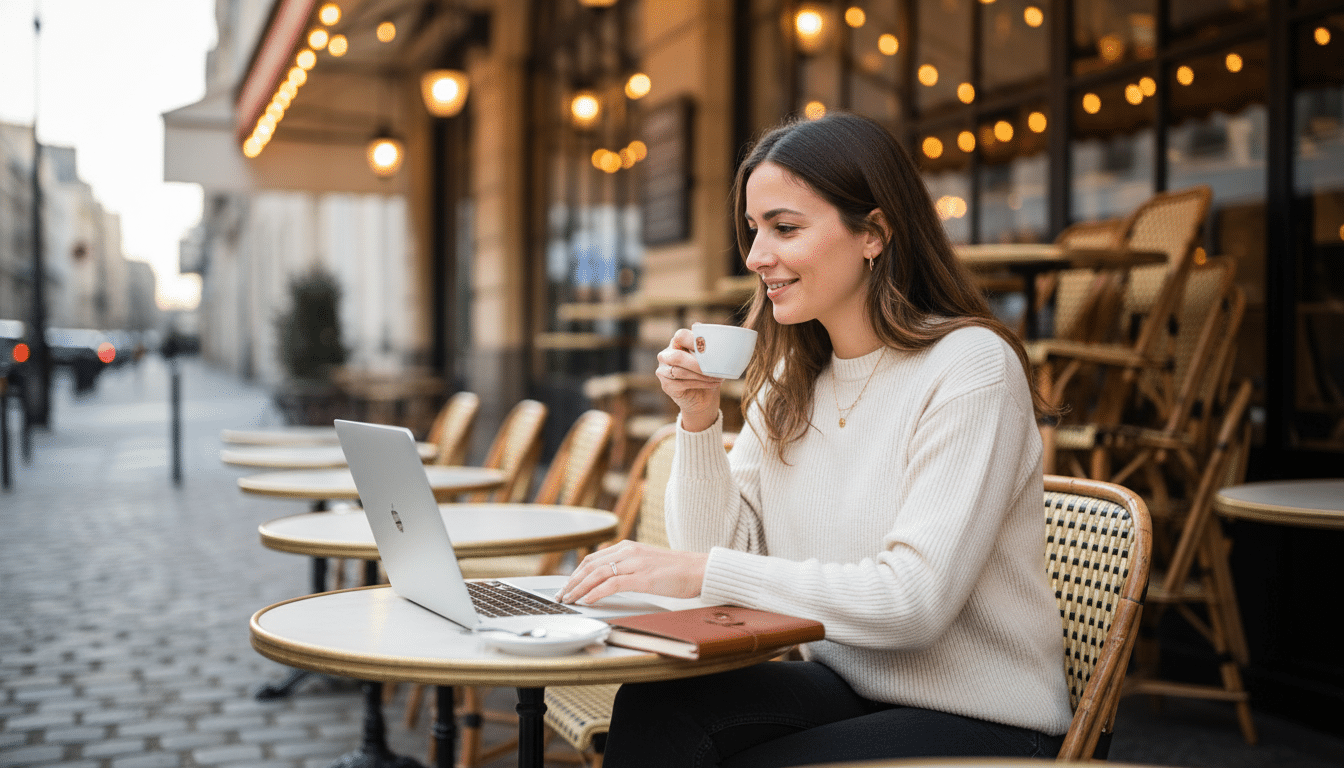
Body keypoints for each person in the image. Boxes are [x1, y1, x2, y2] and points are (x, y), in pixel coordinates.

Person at [560, 112, 1072, 767]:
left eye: (785, 228)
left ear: (875, 233)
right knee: (658, 708)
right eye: (753, 230)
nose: (755, 257)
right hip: (853, 682)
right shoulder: (789, 377)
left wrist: (698, 572)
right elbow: (716, 558)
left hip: (986, 718)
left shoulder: (968, 366)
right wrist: (698, 418)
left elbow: (914, 601)